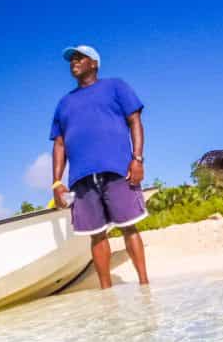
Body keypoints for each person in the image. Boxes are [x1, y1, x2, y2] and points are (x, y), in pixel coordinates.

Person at [49, 44, 149, 288]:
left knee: (129, 227)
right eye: (71, 59)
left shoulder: (115, 86)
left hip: (117, 169)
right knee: (96, 234)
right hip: (81, 177)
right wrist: (56, 182)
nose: (74, 62)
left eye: (79, 58)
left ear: (94, 63)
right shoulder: (64, 103)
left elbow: (135, 121)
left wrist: (137, 159)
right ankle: (106, 294)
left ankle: (145, 285)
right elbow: (59, 144)